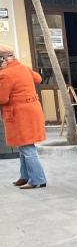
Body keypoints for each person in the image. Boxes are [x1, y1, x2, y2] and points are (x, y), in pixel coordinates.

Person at [0, 45, 47, 189]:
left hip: (20, 115)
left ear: (3, 59)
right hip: (32, 110)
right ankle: (25, 176)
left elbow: (2, 99)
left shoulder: (5, 74)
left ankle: (38, 179)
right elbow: (38, 78)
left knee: (27, 148)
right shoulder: (22, 67)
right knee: (24, 146)